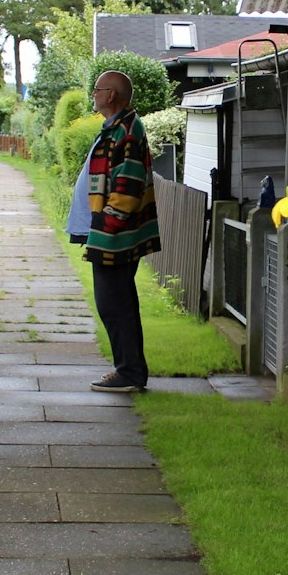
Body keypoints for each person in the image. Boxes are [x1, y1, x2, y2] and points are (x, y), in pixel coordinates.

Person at [82, 70, 159, 392]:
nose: (94, 95)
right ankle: (128, 370)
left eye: (97, 90)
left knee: (115, 304)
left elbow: (127, 189)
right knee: (115, 302)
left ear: (111, 95)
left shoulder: (127, 131)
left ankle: (129, 373)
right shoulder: (117, 127)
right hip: (111, 233)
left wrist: (105, 227)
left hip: (117, 236)